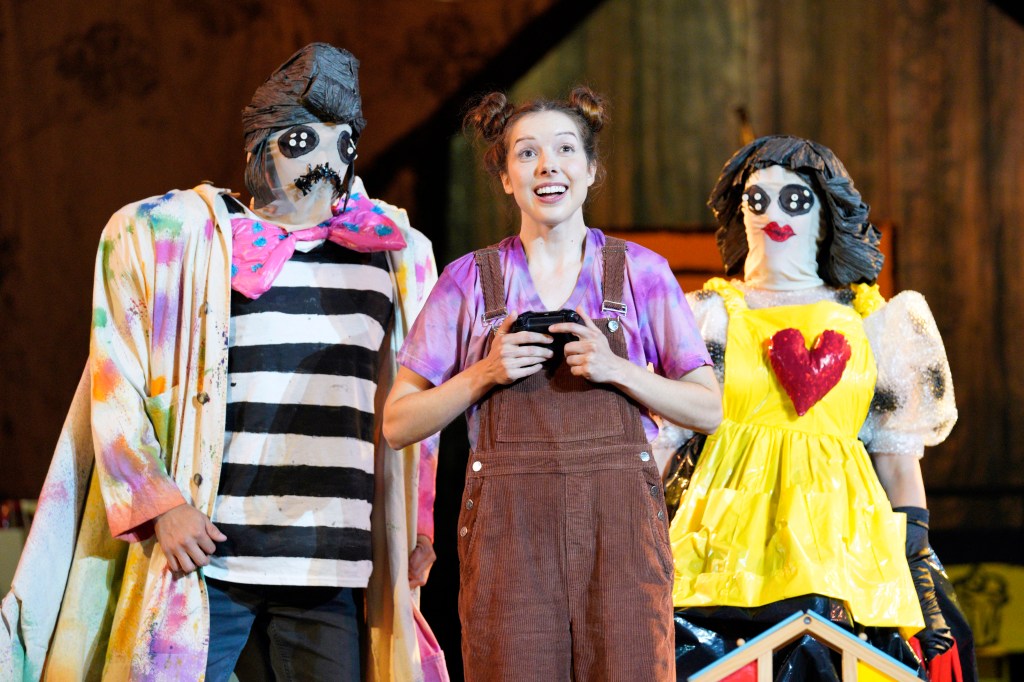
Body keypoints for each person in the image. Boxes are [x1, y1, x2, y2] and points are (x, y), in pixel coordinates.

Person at [1, 43, 444, 681]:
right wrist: (159, 503)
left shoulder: (393, 255)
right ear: (260, 146)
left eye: (341, 143)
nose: (324, 161)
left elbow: (414, 402)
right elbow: (115, 376)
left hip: (329, 560)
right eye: (302, 141)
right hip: (209, 557)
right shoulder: (185, 239)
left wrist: (418, 523)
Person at [383, 87, 722, 681]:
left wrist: (617, 370)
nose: (547, 166)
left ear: (590, 170)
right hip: (510, 541)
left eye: (565, 150)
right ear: (506, 179)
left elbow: (707, 409)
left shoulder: (641, 273)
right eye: (526, 153)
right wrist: (484, 373)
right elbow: (396, 423)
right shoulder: (470, 281)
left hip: (620, 540)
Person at [663, 134, 975, 680]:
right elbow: (666, 438)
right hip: (722, 542)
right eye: (758, 199)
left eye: (795, 200)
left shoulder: (877, 323)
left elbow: (898, 459)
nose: (775, 215)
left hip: (848, 546)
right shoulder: (705, 317)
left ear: (824, 214)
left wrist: (916, 555)